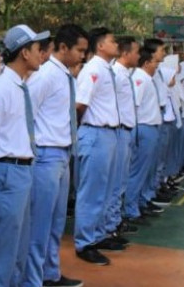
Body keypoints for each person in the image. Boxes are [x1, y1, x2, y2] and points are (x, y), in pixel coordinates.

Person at [0, 25, 46, 287]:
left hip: (21, 170)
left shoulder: (19, 86)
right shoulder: (2, 88)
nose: (42, 54)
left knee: (18, 246)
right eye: (38, 49)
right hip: (6, 171)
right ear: (25, 53)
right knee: (3, 248)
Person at [23, 24, 88, 287]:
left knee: (55, 222)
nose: (83, 56)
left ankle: (50, 273)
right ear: (63, 48)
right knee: (40, 223)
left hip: (62, 154)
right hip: (46, 155)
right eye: (80, 50)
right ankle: (33, 279)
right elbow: (27, 115)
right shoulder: (46, 75)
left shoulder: (65, 76)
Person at [74, 27, 121, 265]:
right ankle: (85, 242)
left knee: (104, 189)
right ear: (100, 45)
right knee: (91, 191)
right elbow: (79, 105)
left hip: (108, 134)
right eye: (113, 40)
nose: (116, 44)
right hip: (96, 132)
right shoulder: (92, 69)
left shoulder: (106, 69)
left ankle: (99, 234)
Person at [123, 48, 163, 226]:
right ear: (146, 63)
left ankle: (139, 202)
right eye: (155, 62)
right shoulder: (140, 78)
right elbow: (134, 104)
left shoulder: (147, 78)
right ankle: (130, 209)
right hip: (143, 128)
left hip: (150, 127)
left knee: (145, 171)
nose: (157, 66)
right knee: (137, 171)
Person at [108, 36, 140, 238]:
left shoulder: (124, 74)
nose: (138, 55)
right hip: (118, 131)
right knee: (114, 183)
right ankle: (111, 225)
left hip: (126, 130)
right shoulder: (116, 75)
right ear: (126, 53)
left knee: (120, 182)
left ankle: (115, 221)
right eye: (136, 51)